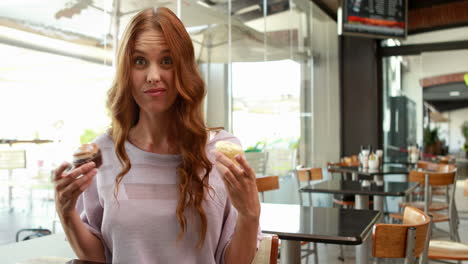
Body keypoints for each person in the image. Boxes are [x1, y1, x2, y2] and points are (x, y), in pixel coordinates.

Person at [53, 7, 261, 264]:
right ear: (126, 72)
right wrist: (66, 212)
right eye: (140, 61)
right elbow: (98, 257)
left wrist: (250, 214)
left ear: (184, 68)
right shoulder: (102, 152)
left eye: (166, 61)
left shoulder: (220, 150)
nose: (153, 76)